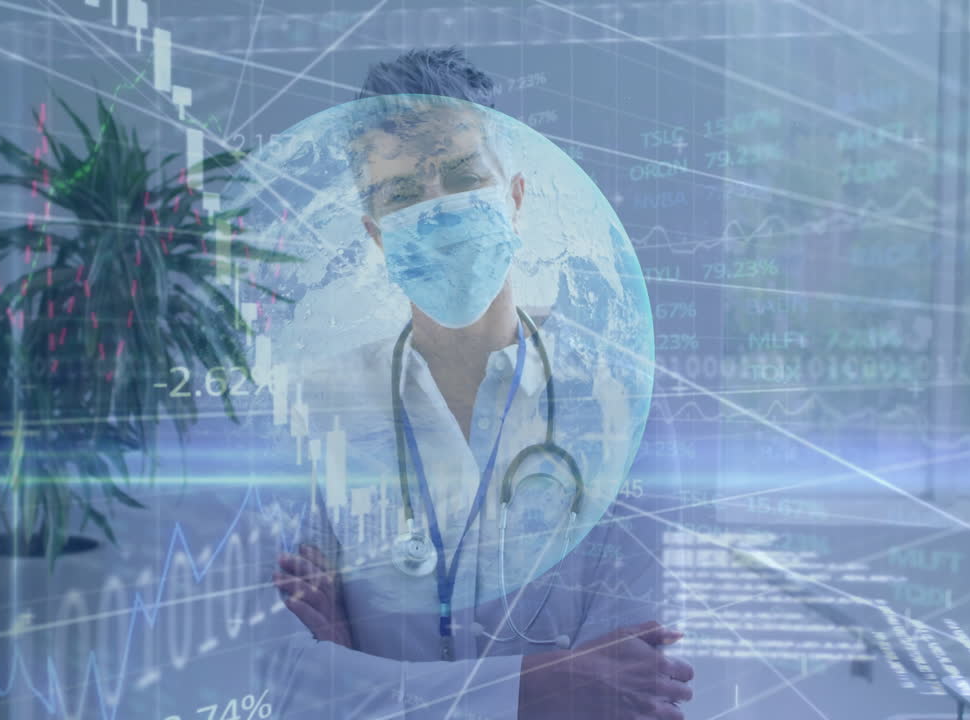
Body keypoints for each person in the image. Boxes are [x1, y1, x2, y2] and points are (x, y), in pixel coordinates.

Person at [254, 47, 694, 719]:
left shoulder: (614, 405)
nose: (436, 213)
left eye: (463, 178)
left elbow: (632, 691)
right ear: (376, 235)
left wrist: (363, 674)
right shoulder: (316, 409)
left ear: (515, 199)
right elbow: (289, 686)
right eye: (401, 194)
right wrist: (537, 685)